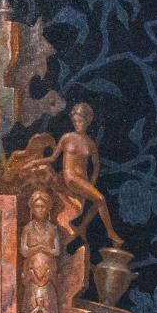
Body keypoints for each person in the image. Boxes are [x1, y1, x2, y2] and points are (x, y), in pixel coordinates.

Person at [54, 103, 122, 246]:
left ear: (88, 121)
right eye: (75, 121)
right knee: (101, 199)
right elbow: (52, 158)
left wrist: (92, 183)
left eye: (80, 121)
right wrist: (34, 162)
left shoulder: (90, 143)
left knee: (98, 201)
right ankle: (110, 232)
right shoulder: (67, 137)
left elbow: (96, 166)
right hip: (71, 178)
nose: (77, 124)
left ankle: (82, 227)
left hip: (82, 180)